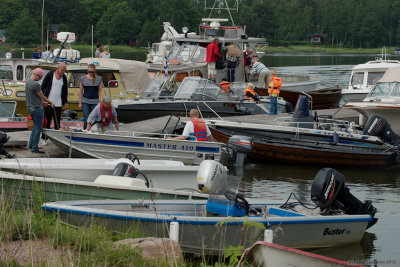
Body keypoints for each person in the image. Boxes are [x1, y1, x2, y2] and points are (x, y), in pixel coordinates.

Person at [25, 68, 55, 153]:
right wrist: (49, 102)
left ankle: (30, 145)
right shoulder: (36, 84)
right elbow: (41, 96)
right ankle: (35, 148)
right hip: (37, 108)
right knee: (38, 128)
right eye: (40, 77)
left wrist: (42, 101)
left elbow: (34, 97)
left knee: (35, 127)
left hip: (29, 107)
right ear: (36, 75)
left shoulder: (27, 83)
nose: (41, 78)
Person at [41, 63, 68, 140]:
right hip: (49, 102)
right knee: (47, 122)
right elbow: (43, 86)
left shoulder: (64, 77)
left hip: (58, 103)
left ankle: (57, 139)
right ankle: (44, 138)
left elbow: (65, 90)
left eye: (64, 70)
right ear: (58, 68)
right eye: (62, 70)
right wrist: (43, 100)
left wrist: (65, 101)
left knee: (57, 122)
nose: (63, 72)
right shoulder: (50, 74)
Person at [79, 64, 103, 130]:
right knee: (86, 118)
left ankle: (93, 131)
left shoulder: (99, 79)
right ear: (87, 71)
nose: (91, 73)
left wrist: (101, 102)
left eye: (92, 72)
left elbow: (100, 91)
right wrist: (80, 103)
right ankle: (85, 132)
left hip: (95, 102)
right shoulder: (83, 78)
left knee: (94, 118)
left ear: (95, 71)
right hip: (85, 102)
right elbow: (80, 91)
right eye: (89, 72)